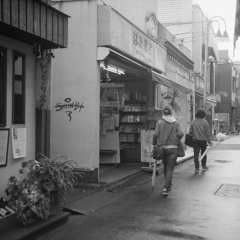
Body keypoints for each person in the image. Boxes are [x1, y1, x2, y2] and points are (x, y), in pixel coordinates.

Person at [153, 105, 184, 196]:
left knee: (165, 166)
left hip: (162, 148)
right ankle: (166, 187)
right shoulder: (176, 123)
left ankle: (168, 184)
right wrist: (177, 137)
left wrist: (154, 143)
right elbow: (181, 134)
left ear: (163, 112)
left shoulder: (159, 122)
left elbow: (155, 134)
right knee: (170, 168)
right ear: (171, 112)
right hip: (173, 148)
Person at [189, 108, 213, 173]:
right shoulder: (205, 122)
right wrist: (210, 142)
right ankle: (203, 165)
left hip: (195, 140)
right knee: (203, 153)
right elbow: (208, 133)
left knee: (196, 154)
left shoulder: (193, 121)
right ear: (204, 115)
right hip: (203, 140)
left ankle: (196, 168)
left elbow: (190, 132)